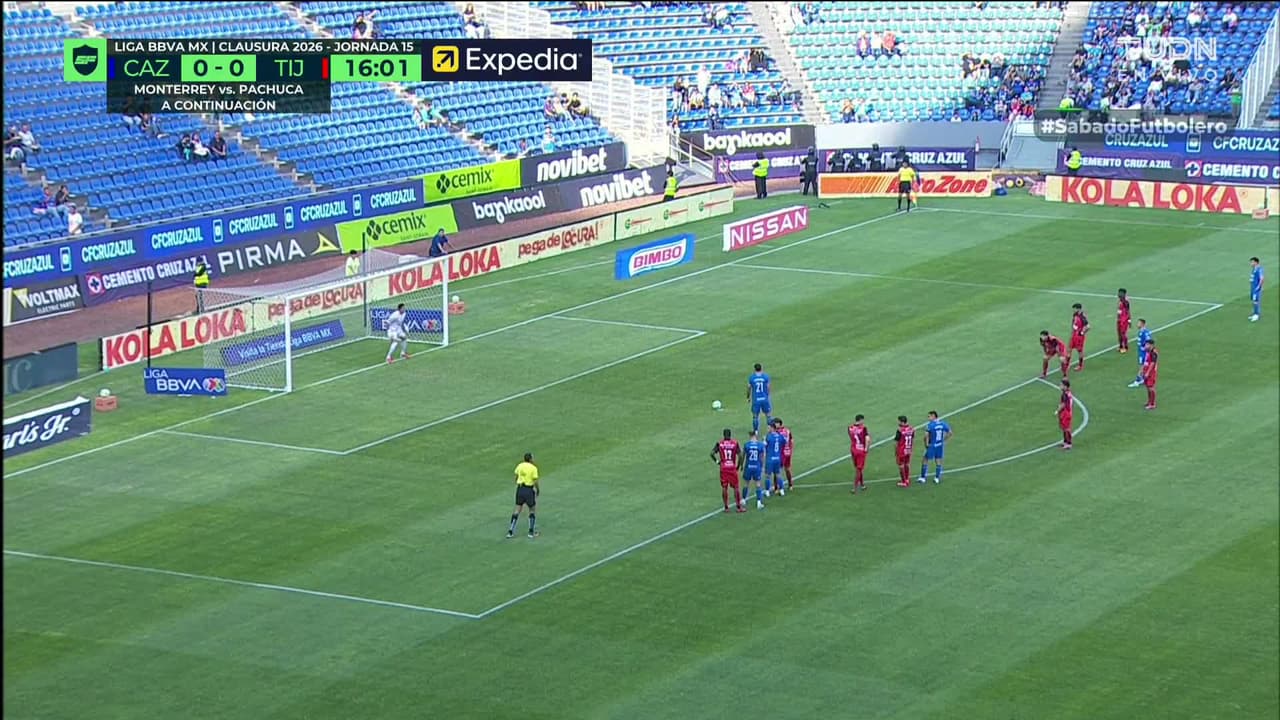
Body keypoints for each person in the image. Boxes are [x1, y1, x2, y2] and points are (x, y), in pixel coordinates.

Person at [711, 428, 745, 513]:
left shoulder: (720, 443)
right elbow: (740, 456)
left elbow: (711, 453)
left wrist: (717, 462)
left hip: (723, 468)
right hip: (731, 467)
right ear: (730, 435)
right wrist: (739, 465)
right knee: (736, 487)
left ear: (723, 435)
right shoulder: (735, 443)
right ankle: (738, 507)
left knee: (724, 487)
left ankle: (726, 507)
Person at [507, 453, 540, 539]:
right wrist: (538, 490)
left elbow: (516, 476)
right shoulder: (533, 468)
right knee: (532, 509)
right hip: (529, 490)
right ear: (530, 459)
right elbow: (535, 481)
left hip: (520, 489)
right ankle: (531, 532)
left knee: (517, 509)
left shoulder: (520, 466)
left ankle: (510, 531)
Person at [919, 411, 952, 484]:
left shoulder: (930, 425)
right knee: (938, 461)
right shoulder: (942, 423)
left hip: (932, 445)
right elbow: (950, 432)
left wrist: (926, 444)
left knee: (925, 460)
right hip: (939, 445)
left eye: (929, 416)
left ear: (933, 416)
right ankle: (937, 478)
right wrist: (943, 440)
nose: (928, 418)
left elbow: (926, 436)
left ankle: (923, 477)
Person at [742, 430, 767, 509]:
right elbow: (762, 457)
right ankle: (759, 502)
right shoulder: (760, 445)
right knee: (758, 484)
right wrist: (762, 466)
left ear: (750, 436)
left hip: (748, 466)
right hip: (757, 466)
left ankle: (743, 499)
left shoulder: (747, 445)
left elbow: (743, 456)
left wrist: (741, 465)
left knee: (746, 483)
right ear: (755, 436)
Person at [1128, 318, 1154, 387]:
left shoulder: (1145, 332)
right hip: (1141, 352)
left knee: (1142, 366)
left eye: (1138, 323)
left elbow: (1149, 342)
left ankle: (1137, 381)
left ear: (1142, 324)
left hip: (1144, 353)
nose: (1137, 324)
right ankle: (1142, 378)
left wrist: (1146, 349)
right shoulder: (1141, 331)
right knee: (1142, 365)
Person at [746, 362, 771, 432]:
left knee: (755, 416)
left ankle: (756, 431)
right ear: (761, 368)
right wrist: (767, 396)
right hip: (764, 398)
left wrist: (748, 397)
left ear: (754, 369)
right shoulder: (765, 377)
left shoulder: (752, 378)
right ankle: (770, 428)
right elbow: (768, 387)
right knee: (768, 414)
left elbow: (749, 388)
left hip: (756, 400)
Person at [848, 414, 870, 494]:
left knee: (857, 468)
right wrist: (866, 448)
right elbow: (867, 439)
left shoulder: (850, 428)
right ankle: (854, 488)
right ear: (860, 420)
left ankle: (862, 484)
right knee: (859, 469)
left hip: (853, 449)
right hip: (860, 451)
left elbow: (850, 437)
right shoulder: (863, 428)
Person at [764, 421, 787, 497]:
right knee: (778, 474)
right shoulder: (780, 436)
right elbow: (784, 443)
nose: (768, 429)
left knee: (768, 475)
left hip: (770, 458)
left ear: (772, 428)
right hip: (778, 458)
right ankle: (782, 490)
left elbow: (765, 445)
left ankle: (767, 491)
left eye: (769, 427)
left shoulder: (768, 436)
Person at [772, 417, 794, 490]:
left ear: (779, 424)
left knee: (777, 470)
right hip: (788, 452)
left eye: (775, 424)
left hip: (780, 453)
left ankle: (776, 487)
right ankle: (790, 485)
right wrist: (790, 450)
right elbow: (791, 441)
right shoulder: (787, 431)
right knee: (787, 468)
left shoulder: (777, 433)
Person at [894, 415, 915, 487]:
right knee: (907, 464)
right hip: (908, 449)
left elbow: (896, 443)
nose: (898, 423)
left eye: (899, 421)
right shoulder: (911, 429)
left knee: (901, 465)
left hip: (901, 450)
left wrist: (896, 453)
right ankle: (907, 479)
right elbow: (912, 439)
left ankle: (904, 482)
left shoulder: (900, 430)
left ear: (902, 422)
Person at [1069, 302, 1090, 371]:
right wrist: (1072, 332)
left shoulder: (1082, 316)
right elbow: (1073, 323)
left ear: (1078, 309)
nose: (1073, 310)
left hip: (1079, 337)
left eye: (1074, 309)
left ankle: (1080, 365)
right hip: (1074, 335)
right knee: (1069, 349)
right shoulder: (1075, 314)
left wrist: (1082, 333)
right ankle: (1067, 364)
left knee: (1079, 351)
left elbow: (1088, 326)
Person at [1139, 340, 1158, 410]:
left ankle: (1152, 404)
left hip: (1151, 373)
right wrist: (1142, 370)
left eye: (1147, 344)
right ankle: (1149, 401)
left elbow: (1152, 364)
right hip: (1146, 371)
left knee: (1151, 387)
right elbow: (1146, 361)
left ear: (1151, 345)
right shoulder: (1148, 351)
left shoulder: (1154, 353)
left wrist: (1147, 373)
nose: (1145, 346)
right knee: (1147, 387)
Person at [1057, 379, 1074, 449]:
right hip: (1067, 411)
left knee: (1066, 428)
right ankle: (1065, 441)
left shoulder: (1065, 394)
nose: (1060, 386)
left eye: (1061, 385)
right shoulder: (1067, 393)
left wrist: (1058, 410)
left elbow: (1064, 404)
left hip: (1066, 412)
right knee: (1064, 427)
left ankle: (1069, 443)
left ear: (1065, 386)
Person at [1116, 288, 1131, 353]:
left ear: (1124, 294)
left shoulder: (1125, 302)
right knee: (1119, 333)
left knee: (1123, 333)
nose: (1119, 294)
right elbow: (1119, 311)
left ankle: (1126, 347)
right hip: (1119, 320)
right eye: (1119, 293)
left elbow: (1128, 311)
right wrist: (1118, 318)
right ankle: (1121, 346)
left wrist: (1129, 321)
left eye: (1120, 293)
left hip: (1124, 320)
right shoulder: (1120, 300)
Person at [1249, 256, 1264, 322]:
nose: (1251, 263)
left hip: (1256, 288)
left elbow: (1262, 279)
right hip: (1253, 287)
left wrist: (1258, 287)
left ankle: (1256, 315)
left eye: (1252, 262)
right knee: (1254, 301)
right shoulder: (1254, 269)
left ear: (1256, 262)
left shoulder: (1259, 269)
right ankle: (1255, 313)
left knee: (1256, 301)